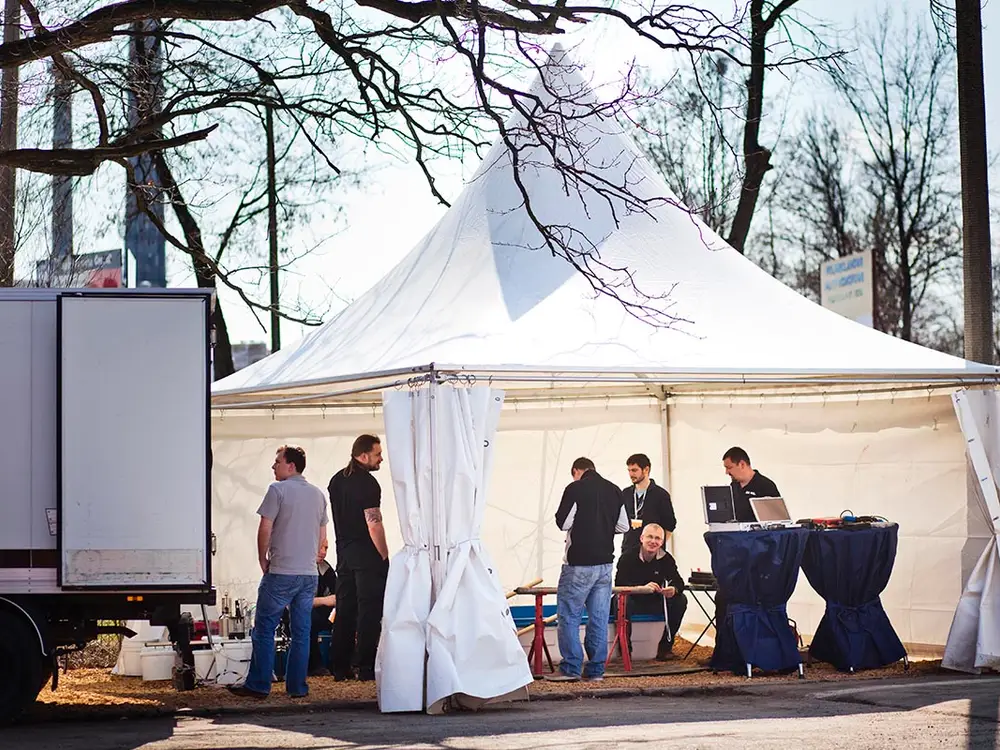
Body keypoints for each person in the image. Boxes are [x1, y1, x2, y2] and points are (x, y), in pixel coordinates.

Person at [230, 445, 328, 699]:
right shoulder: (318, 495)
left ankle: (259, 685)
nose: (273, 466)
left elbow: (265, 527)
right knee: (302, 633)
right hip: (308, 574)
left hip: (281, 571)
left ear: (291, 466)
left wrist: (263, 559)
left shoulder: (277, 490)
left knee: (264, 628)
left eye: (277, 462)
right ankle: (297, 687)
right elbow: (323, 536)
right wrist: (312, 558)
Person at [550, 457, 629, 682]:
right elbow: (623, 525)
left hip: (578, 564)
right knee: (599, 617)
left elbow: (563, 523)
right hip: (605, 565)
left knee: (569, 616)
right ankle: (596, 670)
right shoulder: (614, 490)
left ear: (576, 471)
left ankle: (571, 668)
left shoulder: (574, 488)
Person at [328, 434, 388, 682]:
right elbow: (373, 522)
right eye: (377, 454)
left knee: (345, 609)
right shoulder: (369, 484)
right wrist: (384, 555)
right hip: (366, 553)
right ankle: (364, 666)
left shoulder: (336, 481)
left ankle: (339, 666)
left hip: (344, 553)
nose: (381, 458)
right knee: (369, 610)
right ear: (363, 455)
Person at [614, 523, 687, 661]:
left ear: (662, 542)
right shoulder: (627, 557)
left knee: (680, 600)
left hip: (653, 600)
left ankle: (665, 648)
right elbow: (619, 585)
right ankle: (624, 651)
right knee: (621, 600)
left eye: (658, 538)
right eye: (650, 537)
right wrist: (642, 588)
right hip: (631, 600)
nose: (653, 541)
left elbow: (678, 582)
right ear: (642, 538)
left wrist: (673, 589)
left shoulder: (666, 558)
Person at [621, 453, 676, 553]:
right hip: (629, 550)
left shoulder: (661, 495)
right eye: (629, 470)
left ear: (646, 470)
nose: (631, 474)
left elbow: (670, 525)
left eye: (634, 470)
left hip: (652, 554)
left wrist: (656, 545)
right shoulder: (626, 493)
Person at [722, 446, 781, 522]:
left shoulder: (766, 485)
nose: (727, 472)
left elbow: (777, 518)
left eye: (729, 468)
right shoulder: (733, 486)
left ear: (742, 464)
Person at [307, 538, 338, 677]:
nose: (323, 552)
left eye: (326, 548)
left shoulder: (325, 568)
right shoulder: (299, 568)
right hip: (297, 613)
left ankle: (339, 664)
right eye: (321, 547)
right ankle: (315, 666)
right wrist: (325, 601)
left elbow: (337, 592)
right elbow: (295, 602)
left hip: (322, 613)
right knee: (307, 621)